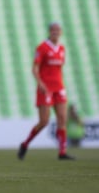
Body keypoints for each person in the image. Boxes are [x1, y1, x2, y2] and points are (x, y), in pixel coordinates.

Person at [18, 22, 74, 160]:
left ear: (61, 32)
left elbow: (59, 69)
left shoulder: (62, 48)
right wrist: (40, 83)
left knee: (62, 118)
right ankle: (25, 144)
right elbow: (34, 68)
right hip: (45, 88)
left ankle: (62, 152)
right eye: (53, 30)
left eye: (57, 30)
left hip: (59, 87)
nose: (55, 32)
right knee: (44, 121)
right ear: (49, 31)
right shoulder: (42, 47)